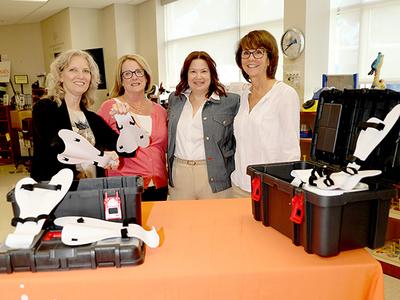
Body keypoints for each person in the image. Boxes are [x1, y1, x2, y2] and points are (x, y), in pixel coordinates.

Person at [31, 49, 120, 182]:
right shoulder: (45, 107)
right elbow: (58, 144)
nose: (81, 76)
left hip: (90, 190)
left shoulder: (92, 118)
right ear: (60, 76)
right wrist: (99, 156)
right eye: (73, 70)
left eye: (86, 71)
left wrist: (124, 120)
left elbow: (124, 149)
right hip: (55, 193)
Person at [230, 30, 300, 197]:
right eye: (246, 53)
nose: (251, 58)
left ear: (270, 59)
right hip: (239, 186)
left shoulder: (285, 94)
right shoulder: (242, 95)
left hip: (269, 189)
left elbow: (291, 150)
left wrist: (286, 189)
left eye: (258, 52)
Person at [168, 51, 240, 200]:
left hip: (215, 174)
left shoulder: (230, 101)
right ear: (185, 74)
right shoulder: (175, 99)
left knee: (215, 222)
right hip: (179, 173)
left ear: (212, 74)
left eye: (204, 71)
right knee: (181, 221)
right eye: (193, 71)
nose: (198, 77)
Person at [97, 54, 168, 201]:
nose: (134, 77)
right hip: (125, 187)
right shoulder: (110, 107)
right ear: (121, 80)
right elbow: (97, 144)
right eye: (127, 74)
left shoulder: (160, 111)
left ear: (146, 76)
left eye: (138, 71)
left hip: (158, 186)